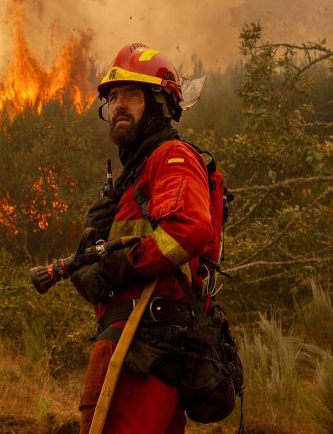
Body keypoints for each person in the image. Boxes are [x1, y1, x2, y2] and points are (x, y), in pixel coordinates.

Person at [71, 43, 214, 434]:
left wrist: (116, 268)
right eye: (113, 97)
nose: (119, 105)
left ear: (161, 104)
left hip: (145, 343)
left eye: (132, 94)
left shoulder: (171, 156)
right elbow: (126, 251)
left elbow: (188, 230)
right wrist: (90, 258)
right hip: (135, 340)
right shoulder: (136, 177)